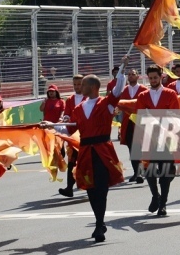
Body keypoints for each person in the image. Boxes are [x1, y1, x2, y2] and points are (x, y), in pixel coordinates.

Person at [45, 56, 128, 242]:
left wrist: (122, 67)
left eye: (82, 84)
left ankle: (99, 224)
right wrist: (50, 125)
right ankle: (100, 221)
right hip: (85, 151)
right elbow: (69, 129)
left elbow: (118, 89)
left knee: (101, 188)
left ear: (92, 87)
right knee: (90, 188)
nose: (79, 87)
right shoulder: (78, 108)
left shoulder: (106, 103)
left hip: (103, 150)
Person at [135, 65, 180, 217]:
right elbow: (140, 116)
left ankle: (163, 204)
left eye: (155, 77)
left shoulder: (170, 93)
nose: (153, 80)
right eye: (151, 78)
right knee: (149, 171)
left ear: (161, 77)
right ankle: (155, 195)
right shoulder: (142, 96)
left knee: (166, 173)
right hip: (148, 139)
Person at [118, 69, 147, 184]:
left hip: (140, 122)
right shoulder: (124, 90)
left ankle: (142, 170)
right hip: (128, 122)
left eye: (133, 74)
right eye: (129, 75)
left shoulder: (143, 90)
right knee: (131, 148)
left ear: (137, 76)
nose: (130, 76)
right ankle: (137, 172)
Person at [59, 75, 86, 198]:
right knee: (72, 162)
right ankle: (69, 187)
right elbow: (67, 114)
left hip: (86, 134)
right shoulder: (70, 100)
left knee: (87, 161)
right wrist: (65, 118)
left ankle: (90, 185)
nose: (77, 87)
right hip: (74, 136)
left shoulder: (89, 98)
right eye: (75, 84)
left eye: (79, 84)